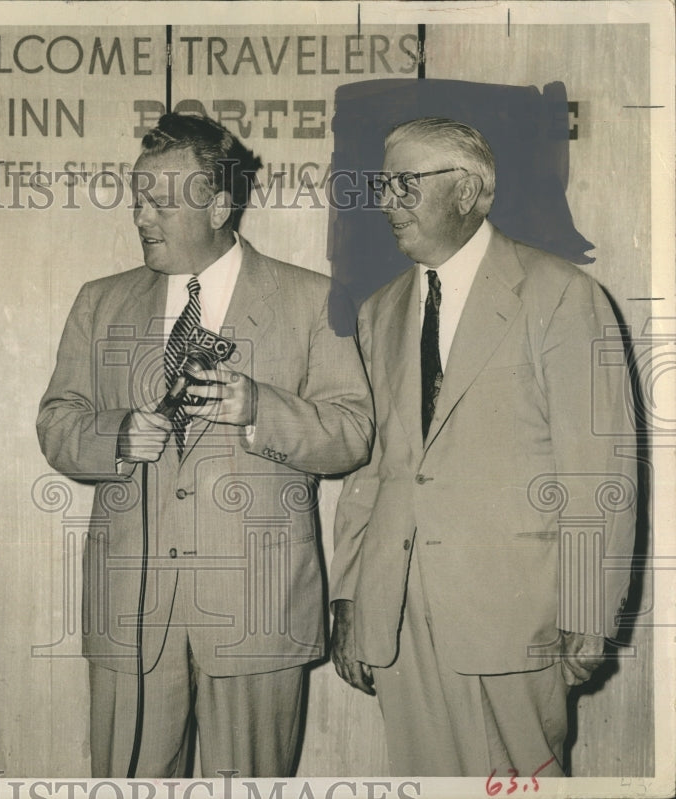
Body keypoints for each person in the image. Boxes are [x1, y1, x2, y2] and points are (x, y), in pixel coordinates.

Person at [37, 113, 373, 778]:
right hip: (130, 616)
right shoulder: (98, 302)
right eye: (138, 197)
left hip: (257, 612)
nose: (142, 215)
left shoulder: (313, 300)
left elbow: (353, 432)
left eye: (162, 199)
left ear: (220, 204)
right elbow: (57, 422)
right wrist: (116, 435)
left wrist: (261, 408)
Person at [329, 117, 637, 777]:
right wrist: (352, 595)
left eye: (404, 184)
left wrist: (588, 610)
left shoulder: (561, 295)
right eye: (382, 186)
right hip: (399, 617)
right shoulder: (377, 312)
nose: (386, 202)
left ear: (468, 191)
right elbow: (370, 471)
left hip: (514, 617)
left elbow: (598, 468)